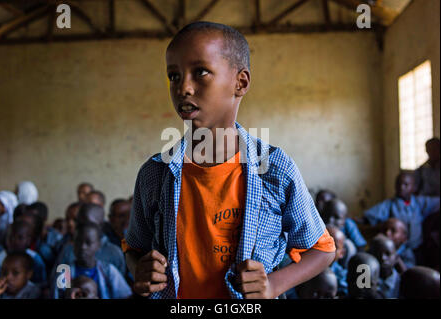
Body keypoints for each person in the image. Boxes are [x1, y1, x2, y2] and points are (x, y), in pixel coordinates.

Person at [123, 21, 335, 299]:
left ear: (240, 82)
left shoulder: (273, 167)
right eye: (174, 76)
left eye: (200, 72)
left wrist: (273, 285)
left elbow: (321, 249)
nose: (183, 87)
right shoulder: (155, 173)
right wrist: (140, 269)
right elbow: (133, 247)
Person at [363, 171, 440, 251]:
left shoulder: (419, 203)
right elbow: (368, 217)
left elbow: (436, 202)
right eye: (398, 184)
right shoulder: (389, 204)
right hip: (397, 249)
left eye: (405, 184)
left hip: (417, 249)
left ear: (414, 188)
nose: (401, 187)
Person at [51, 223, 131, 299]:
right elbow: (57, 295)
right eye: (78, 242)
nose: (83, 247)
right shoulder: (64, 271)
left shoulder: (109, 271)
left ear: (98, 245)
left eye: (88, 243)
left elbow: (125, 295)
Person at [54, 203, 126, 277]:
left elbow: (119, 285)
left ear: (101, 224)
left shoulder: (114, 253)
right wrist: (70, 287)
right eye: (80, 223)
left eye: (90, 223)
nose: (84, 227)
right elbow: (60, 284)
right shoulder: (68, 250)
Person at [0, 221, 47, 285]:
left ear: (28, 240)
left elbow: (41, 283)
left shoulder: (35, 258)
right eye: (11, 237)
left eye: (20, 238)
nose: (14, 241)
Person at [368, 234, 400, 298]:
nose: (383, 258)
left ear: (396, 258)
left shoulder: (402, 282)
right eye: (377, 253)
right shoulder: (364, 279)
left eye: (388, 254)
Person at [326, 225, 348, 297]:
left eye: (334, 246)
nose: (327, 249)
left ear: (342, 253)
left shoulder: (341, 275)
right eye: (324, 243)